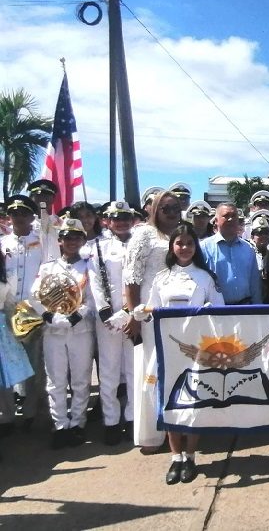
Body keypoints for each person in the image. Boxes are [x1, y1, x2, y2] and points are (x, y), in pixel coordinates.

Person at [135, 224, 224, 484]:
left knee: (193, 403)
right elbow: (151, 308)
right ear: (172, 247)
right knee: (170, 402)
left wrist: (207, 311)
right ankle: (176, 458)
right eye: (179, 243)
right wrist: (141, 312)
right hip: (167, 348)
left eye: (189, 243)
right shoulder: (161, 278)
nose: (184, 248)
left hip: (195, 350)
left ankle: (191, 456)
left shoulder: (205, 278)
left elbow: (220, 310)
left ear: (195, 247)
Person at [124, 190, 182, 452]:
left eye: (175, 208)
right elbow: (131, 278)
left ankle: (177, 430)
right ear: (154, 210)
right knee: (151, 371)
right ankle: (151, 435)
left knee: (175, 370)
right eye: (165, 208)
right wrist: (134, 314)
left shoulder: (180, 234)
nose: (171, 213)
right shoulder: (143, 234)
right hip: (149, 313)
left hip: (175, 313)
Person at [30, 218, 96, 450]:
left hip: (80, 330)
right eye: (67, 237)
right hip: (53, 331)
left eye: (76, 237)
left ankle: (78, 423)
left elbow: (92, 297)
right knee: (55, 381)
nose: (71, 241)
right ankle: (60, 426)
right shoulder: (48, 267)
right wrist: (49, 316)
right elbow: (35, 295)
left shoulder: (89, 267)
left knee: (80, 379)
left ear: (82, 240)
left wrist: (79, 315)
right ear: (60, 240)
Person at [88, 201, 136, 445]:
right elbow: (95, 280)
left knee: (133, 370)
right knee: (108, 372)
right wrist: (105, 311)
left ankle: (132, 418)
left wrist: (130, 312)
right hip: (107, 319)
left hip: (133, 317)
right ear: (107, 220)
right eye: (116, 218)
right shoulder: (97, 245)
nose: (121, 222)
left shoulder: (139, 243)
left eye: (126, 217)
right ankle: (111, 421)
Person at [0, 196, 48, 433]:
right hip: (6, 310)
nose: (18, 218)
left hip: (32, 310)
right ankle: (7, 414)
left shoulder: (42, 242)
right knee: (5, 365)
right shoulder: (2, 242)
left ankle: (31, 411)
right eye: (13, 213)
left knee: (32, 363)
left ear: (32, 216)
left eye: (23, 213)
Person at [201, 202, 262, 305]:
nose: (230, 219)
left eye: (234, 216)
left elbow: (254, 284)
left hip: (245, 309)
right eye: (226, 216)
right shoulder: (204, 247)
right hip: (217, 311)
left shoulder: (248, 249)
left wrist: (258, 310)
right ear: (216, 221)